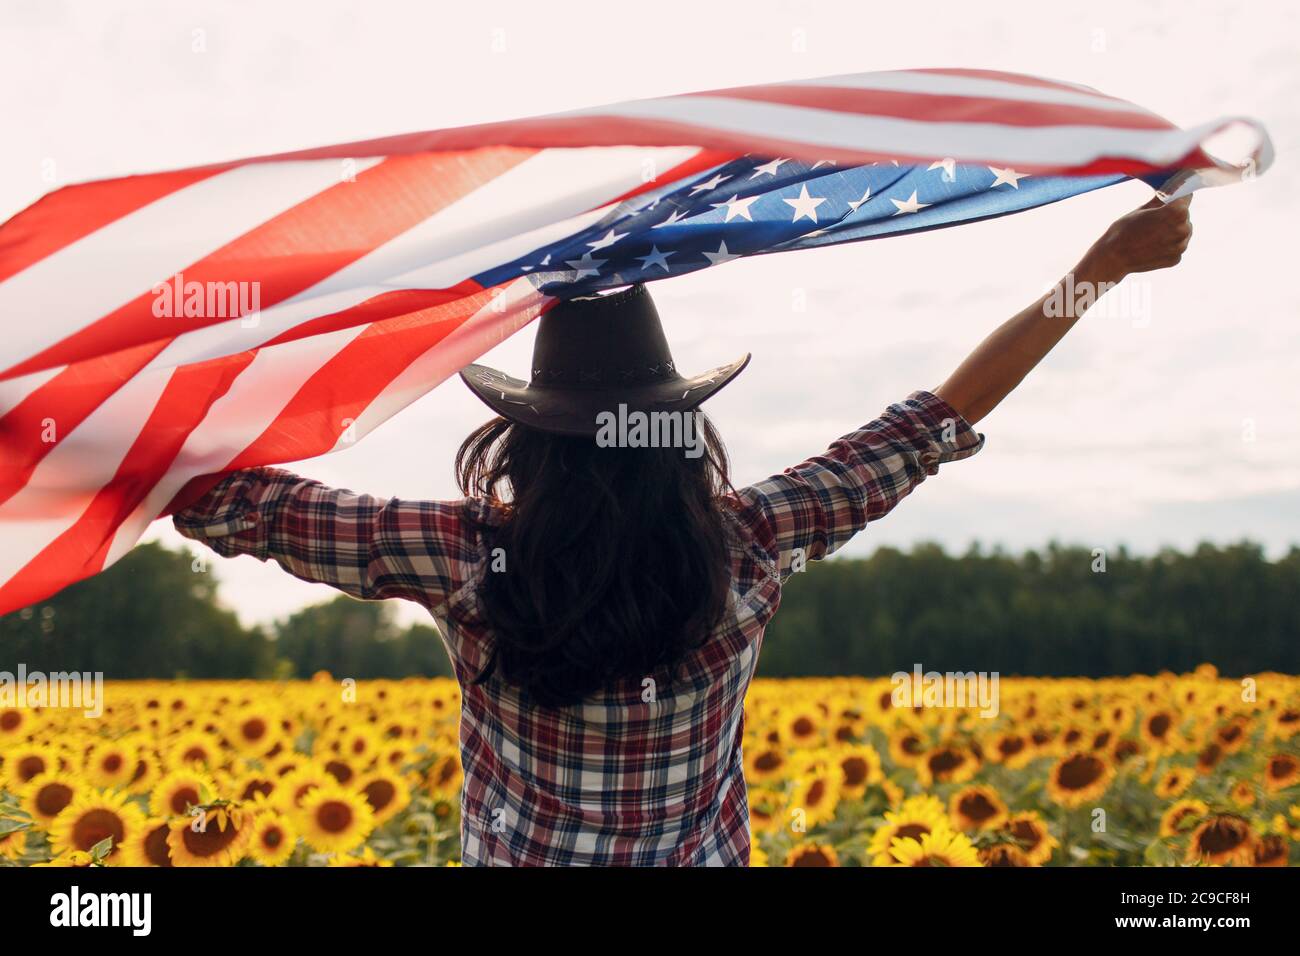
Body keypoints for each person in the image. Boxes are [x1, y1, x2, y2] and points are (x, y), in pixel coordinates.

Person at [174, 193, 1193, 865]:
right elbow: (940, 417)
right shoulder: (750, 538)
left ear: (527, 440)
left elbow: (233, 502)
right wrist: (1099, 265)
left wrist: (86, 397)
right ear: (675, 432)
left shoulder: (463, 555)